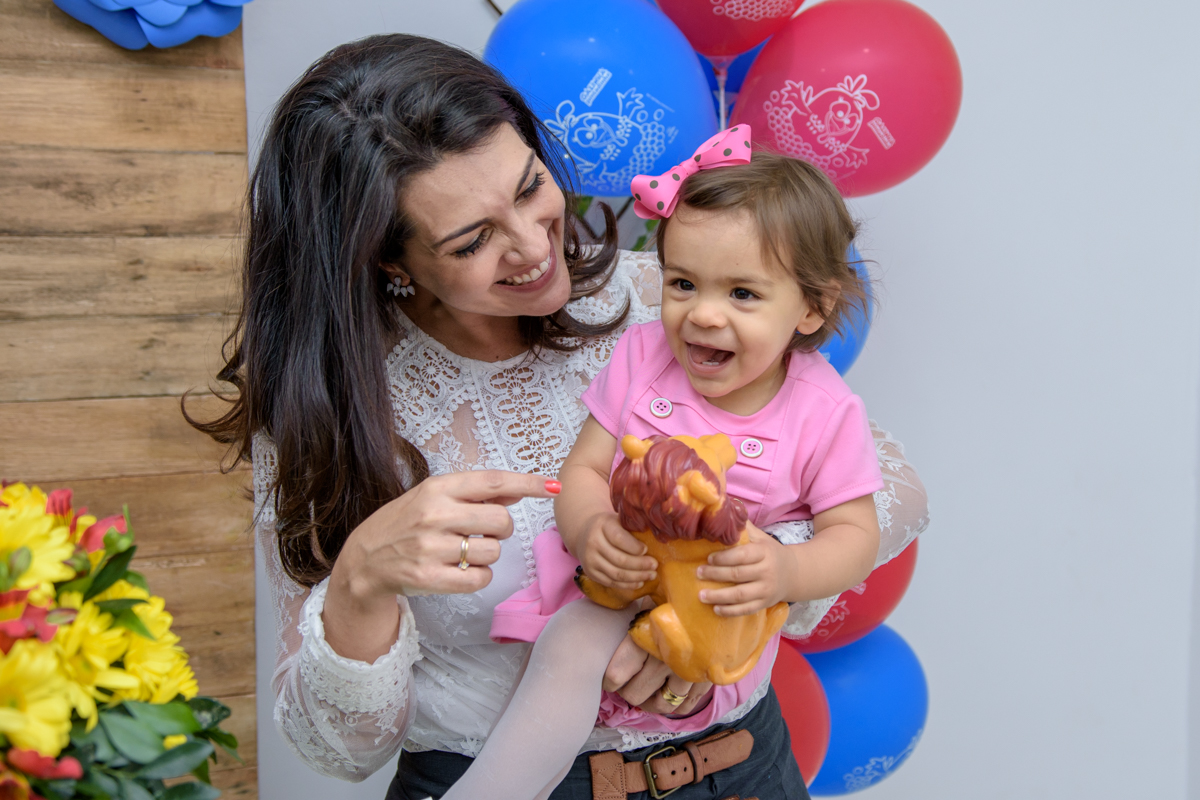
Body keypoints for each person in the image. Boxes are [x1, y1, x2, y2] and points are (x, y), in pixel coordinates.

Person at [190, 34, 929, 800]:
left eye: (529, 186)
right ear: (388, 260)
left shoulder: (663, 300)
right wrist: (361, 581)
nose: (534, 246)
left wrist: (725, 587)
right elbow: (337, 751)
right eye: (473, 240)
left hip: (742, 770)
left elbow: (893, 487)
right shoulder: (333, 415)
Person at [440, 134, 887, 800]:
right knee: (568, 645)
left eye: (742, 293)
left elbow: (857, 536)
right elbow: (585, 469)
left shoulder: (823, 411)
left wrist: (787, 570)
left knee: (659, 669)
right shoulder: (645, 356)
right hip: (626, 580)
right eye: (682, 283)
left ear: (812, 308)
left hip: (714, 609)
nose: (702, 315)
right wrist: (591, 529)